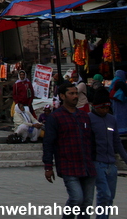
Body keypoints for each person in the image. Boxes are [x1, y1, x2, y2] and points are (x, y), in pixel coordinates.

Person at [43, 83, 96, 219]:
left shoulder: (84, 116)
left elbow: (91, 140)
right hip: (68, 165)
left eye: (76, 93)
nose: (75, 96)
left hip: (87, 166)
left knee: (87, 203)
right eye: (71, 94)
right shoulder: (56, 117)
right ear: (62, 96)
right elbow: (48, 143)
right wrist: (48, 166)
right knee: (76, 199)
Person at [89, 88, 127, 219]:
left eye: (107, 108)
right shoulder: (89, 119)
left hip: (112, 164)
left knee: (110, 197)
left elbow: (117, 142)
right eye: (102, 108)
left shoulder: (111, 120)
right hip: (97, 163)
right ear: (96, 107)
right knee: (104, 194)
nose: (105, 110)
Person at [109, 70, 127, 135]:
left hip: (115, 103)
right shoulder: (120, 82)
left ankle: (118, 130)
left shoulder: (114, 81)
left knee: (117, 116)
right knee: (122, 117)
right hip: (121, 102)